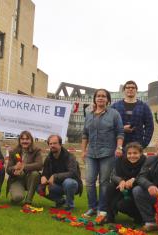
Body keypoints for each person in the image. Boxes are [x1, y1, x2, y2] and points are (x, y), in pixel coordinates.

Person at [81, 88, 124, 223]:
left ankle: (102, 208)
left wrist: (119, 147)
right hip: (91, 153)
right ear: (95, 99)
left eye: (103, 96)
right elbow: (85, 134)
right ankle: (92, 207)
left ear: (107, 99)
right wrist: (83, 151)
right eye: (98, 96)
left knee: (104, 182)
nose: (100, 98)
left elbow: (120, 132)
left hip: (108, 153)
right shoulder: (89, 115)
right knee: (89, 181)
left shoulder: (114, 114)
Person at [39, 135, 82, 211]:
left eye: (55, 143)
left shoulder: (70, 157)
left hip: (72, 185)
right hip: (56, 186)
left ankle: (69, 206)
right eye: (50, 144)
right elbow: (45, 172)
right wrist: (43, 177)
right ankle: (60, 201)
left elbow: (73, 173)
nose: (52, 145)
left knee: (68, 182)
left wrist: (55, 176)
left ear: (60, 144)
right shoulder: (48, 158)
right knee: (39, 187)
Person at [105, 142, 146, 224]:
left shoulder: (146, 162)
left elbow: (146, 176)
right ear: (126, 154)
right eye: (129, 153)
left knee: (122, 205)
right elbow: (113, 175)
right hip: (123, 188)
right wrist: (121, 181)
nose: (132, 156)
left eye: (135, 153)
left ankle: (139, 217)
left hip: (137, 190)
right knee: (110, 187)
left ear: (141, 153)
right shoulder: (120, 161)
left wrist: (134, 179)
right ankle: (109, 216)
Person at [111, 80, 154, 148]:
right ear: (124, 90)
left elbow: (150, 126)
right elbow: (109, 125)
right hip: (118, 144)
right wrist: (122, 129)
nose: (130, 89)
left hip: (137, 144)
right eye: (128, 87)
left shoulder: (144, 106)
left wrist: (144, 143)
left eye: (133, 87)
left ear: (136, 90)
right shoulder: (115, 106)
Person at [6, 131, 43, 206]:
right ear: (19, 141)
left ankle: (28, 201)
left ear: (31, 140)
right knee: (17, 198)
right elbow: (8, 169)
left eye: (27, 139)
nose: (25, 141)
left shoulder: (36, 151)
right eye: (22, 139)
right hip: (17, 180)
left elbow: (40, 165)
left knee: (35, 174)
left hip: (30, 178)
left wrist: (24, 166)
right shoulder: (14, 151)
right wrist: (14, 168)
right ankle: (15, 197)